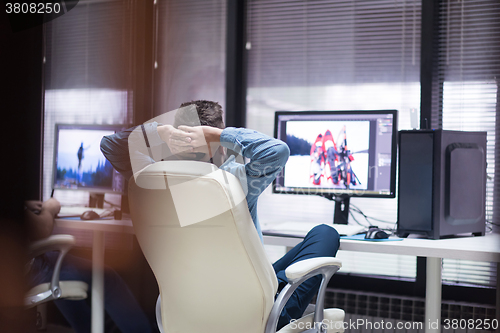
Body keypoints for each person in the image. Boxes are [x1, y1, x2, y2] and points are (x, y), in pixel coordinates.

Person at [100, 100, 340, 330]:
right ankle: (281, 316)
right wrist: (218, 136)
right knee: (325, 233)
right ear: (214, 139)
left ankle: (274, 291)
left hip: (187, 308)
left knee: (273, 271)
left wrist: (160, 132)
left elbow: (109, 145)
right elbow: (277, 151)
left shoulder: (151, 178)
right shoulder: (235, 182)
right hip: (252, 311)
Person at [25, 198, 152, 333]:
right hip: (28, 271)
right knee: (105, 276)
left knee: (64, 282)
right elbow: (41, 228)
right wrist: (50, 207)